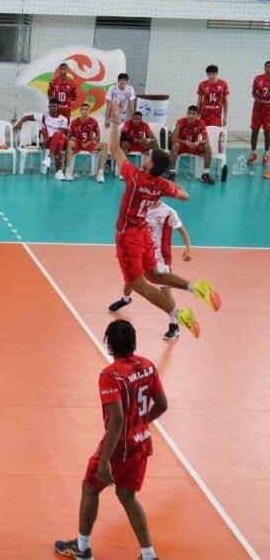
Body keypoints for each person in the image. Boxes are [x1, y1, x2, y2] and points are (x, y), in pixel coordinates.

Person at [53, 321, 167, 560]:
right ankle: (148, 555)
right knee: (127, 495)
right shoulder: (148, 366)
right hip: (142, 442)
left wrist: (105, 460)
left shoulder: (110, 375)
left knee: (90, 487)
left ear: (110, 344)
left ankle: (82, 548)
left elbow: (117, 419)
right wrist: (141, 423)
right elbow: (162, 404)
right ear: (133, 342)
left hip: (119, 446)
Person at [106, 121, 219, 339]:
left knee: (138, 283)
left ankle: (178, 314)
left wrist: (114, 122)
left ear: (151, 165)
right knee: (155, 275)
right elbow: (185, 196)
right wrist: (174, 187)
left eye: (148, 157)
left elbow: (115, 148)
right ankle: (195, 288)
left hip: (128, 237)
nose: (145, 157)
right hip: (144, 234)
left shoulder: (135, 178)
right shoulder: (161, 184)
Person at [109, 199, 194, 340]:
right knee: (132, 280)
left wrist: (188, 249)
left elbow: (183, 232)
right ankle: (125, 299)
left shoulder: (169, 212)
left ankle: (174, 325)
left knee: (165, 291)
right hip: (141, 250)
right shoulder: (142, 208)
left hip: (161, 257)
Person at [14, 99, 69, 178]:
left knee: (58, 136)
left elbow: (63, 132)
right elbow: (27, 117)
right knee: (58, 143)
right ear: (48, 107)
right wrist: (19, 123)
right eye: (51, 106)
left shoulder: (63, 119)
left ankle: (49, 158)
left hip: (61, 141)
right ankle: (58, 171)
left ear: (58, 107)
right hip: (49, 142)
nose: (52, 108)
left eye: (55, 106)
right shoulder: (43, 116)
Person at [168, 105, 214, 184]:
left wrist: (198, 142)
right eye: (189, 113)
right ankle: (172, 172)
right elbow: (172, 138)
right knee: (175, 145)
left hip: (194, 146)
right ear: (187, 114)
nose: (191, 116)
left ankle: (205, 173)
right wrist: (185, 141)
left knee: (207, 146)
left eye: (193, 114)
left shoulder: (201, 123)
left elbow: (206, 140)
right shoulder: (181, 122)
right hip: (183, 145)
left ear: (197, 116)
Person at [65, 105, 109, 183]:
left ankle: (100, 173)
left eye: (86, 109)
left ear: (89, 111)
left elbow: (98, 136)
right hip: (78, 143)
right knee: (69, 143)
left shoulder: (93, 121)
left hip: (89, 143)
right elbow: (70, 136)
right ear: (80, 111)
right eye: (83, 109)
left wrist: (90, 142)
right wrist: (72, 138)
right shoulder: (74, 122)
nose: (85, 111)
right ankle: (68, 171)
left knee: (105, 145)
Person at [249, 59, 270, 167]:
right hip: (257, 108)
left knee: (267, 132)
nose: (268, 68)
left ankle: (266, 154)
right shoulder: (258, 78)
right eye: (267, 66)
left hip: (268, 110)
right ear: (264, 67)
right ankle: (253, 153)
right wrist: (257, 98)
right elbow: (253, 92)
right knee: (255, 130)